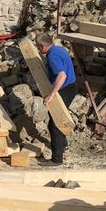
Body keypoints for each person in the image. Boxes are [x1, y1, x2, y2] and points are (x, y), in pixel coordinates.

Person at [34, 32, 76, 165]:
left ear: (42, 46)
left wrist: (51, 94)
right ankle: (63, 145)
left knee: (55, 124)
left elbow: (62, 75)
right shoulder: (59, 49)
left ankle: (56, 160)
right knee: (57, 117)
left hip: (65, 89)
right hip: (72, 86)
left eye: (37, 47)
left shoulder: (52, 56)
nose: (37, 49)